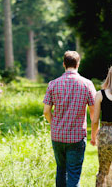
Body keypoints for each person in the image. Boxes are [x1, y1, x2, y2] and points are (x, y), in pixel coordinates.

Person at [43, 51, 97, 187]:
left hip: (57, 136)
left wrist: (54, 124)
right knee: (73, 173)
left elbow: (46, 112)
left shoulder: (53, 84)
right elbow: (94, 114)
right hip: (77, 137)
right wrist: (94, 135)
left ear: (64, 64)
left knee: (61, 170)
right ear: (78, 64)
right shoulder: (87, 84)